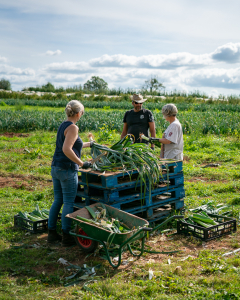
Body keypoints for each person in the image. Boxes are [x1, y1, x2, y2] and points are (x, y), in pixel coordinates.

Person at [47, 100, 92, 246]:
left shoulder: (63, 125)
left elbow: (72, 144)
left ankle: (52, 233)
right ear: (78, 113)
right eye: (82, 113)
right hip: (67, 169)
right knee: (68, 202)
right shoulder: (73, 127)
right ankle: (66, 236)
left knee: (58, 200)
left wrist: (89, 144)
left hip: (56, 167)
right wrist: (81, 163)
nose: (81, 116)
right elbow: (67, 149)